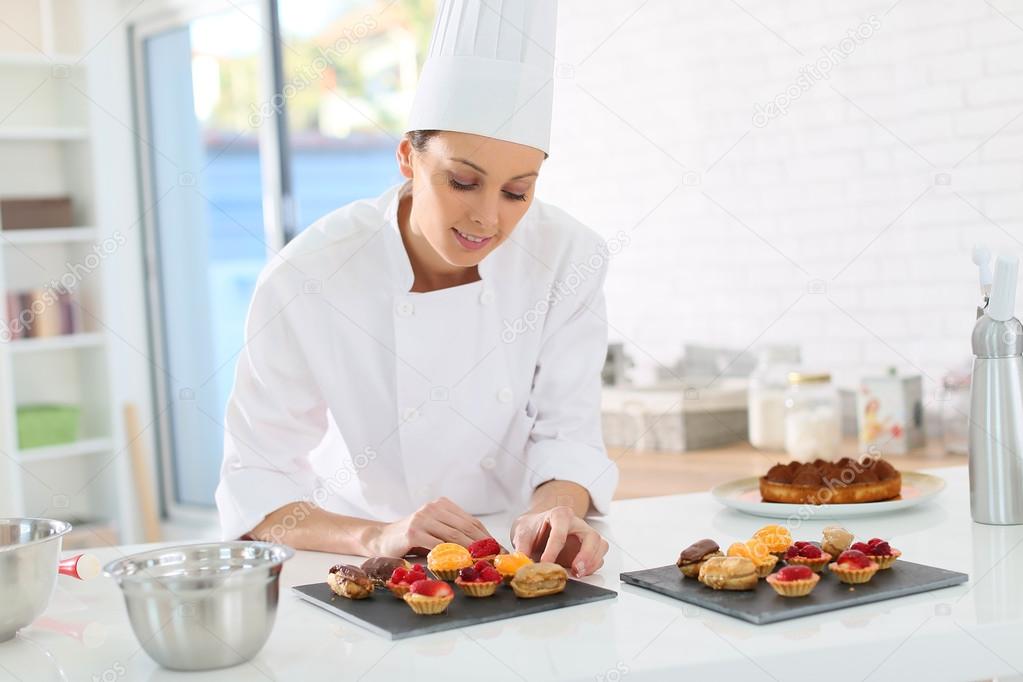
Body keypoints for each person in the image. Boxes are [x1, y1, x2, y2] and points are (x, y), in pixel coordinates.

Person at [215, 0, 618, 577]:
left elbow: (568, 431)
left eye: (516, 192)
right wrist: (377, 536)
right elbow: (256, 481)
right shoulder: (311, 274)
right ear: (407, 156)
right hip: (363, 560)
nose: (486, 218)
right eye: (462, 182)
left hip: (512, 554)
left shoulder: (568, 255)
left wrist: (554, 514)